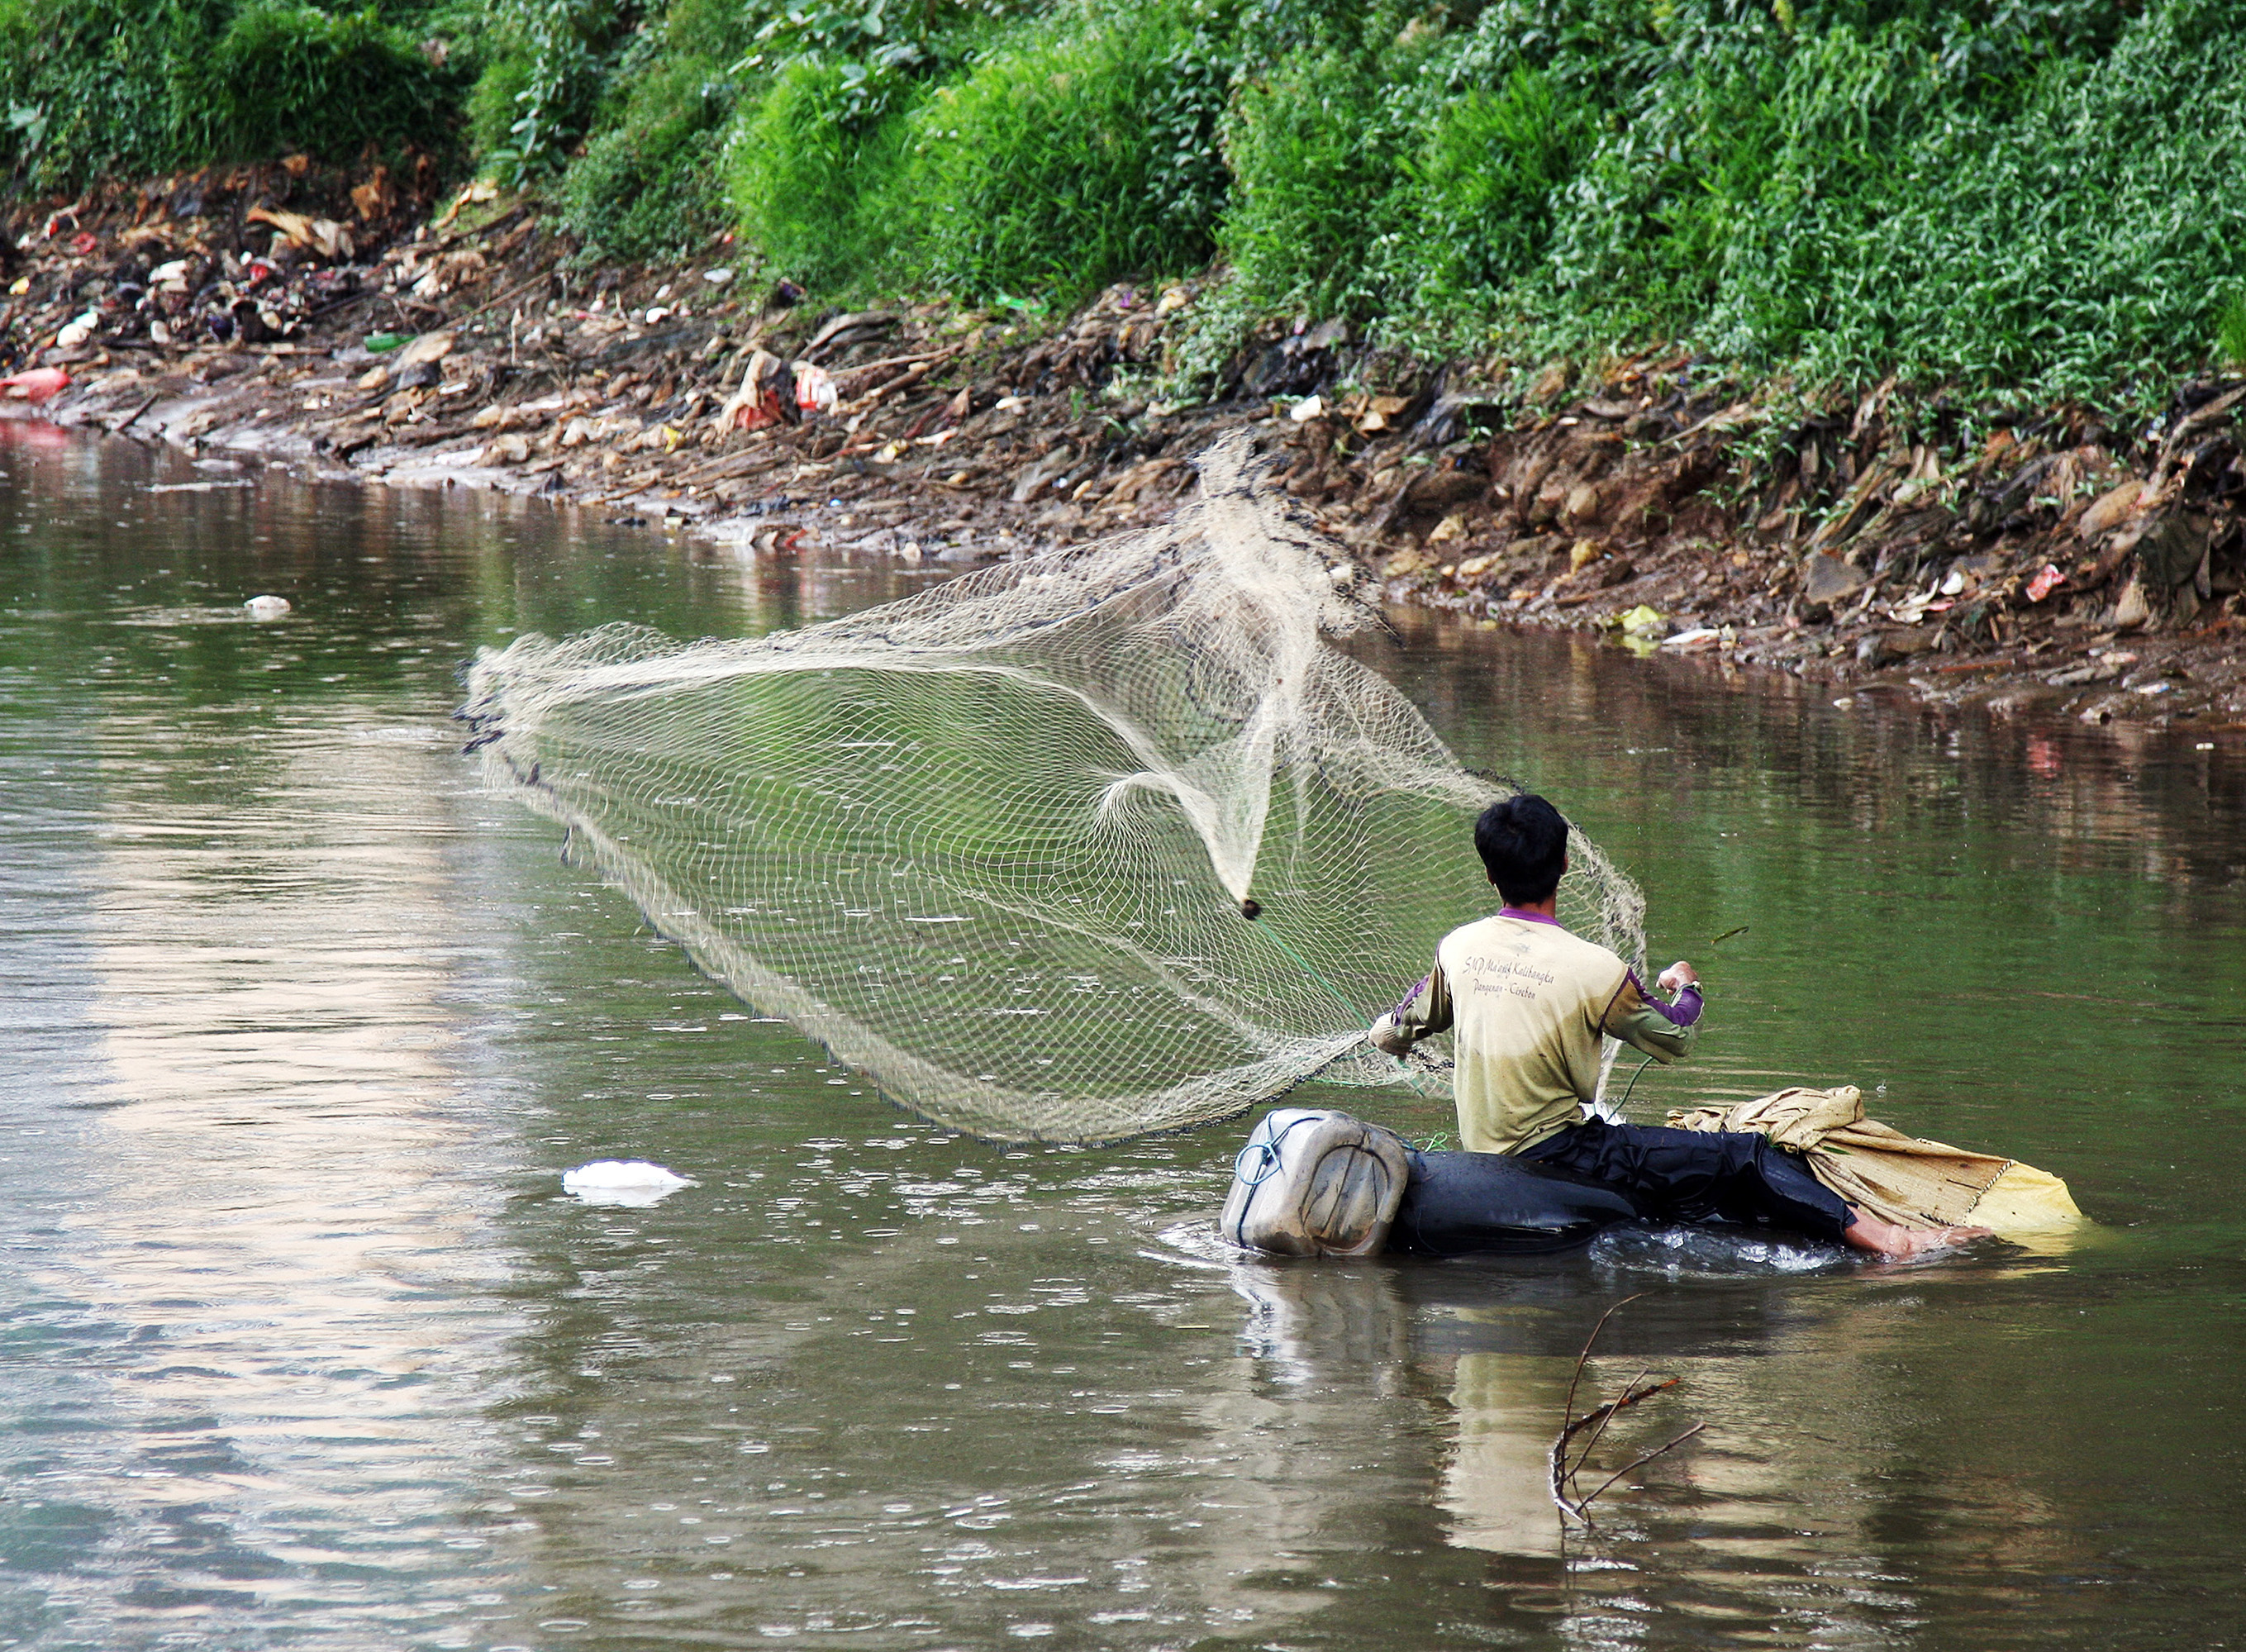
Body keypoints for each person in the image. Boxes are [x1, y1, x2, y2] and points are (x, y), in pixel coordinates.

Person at [1368, 793, 1986, 1260]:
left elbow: (1401, 1025)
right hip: (1559, 1152)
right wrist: (1686, 984)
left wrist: (1386, 1040)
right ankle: (1893, 1240)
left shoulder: (1457, 948)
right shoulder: (1595, 968)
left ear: (1489, 874)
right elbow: (1676, 1037)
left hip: (1485, 1153)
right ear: (1562, 866)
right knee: (1745, 1153)